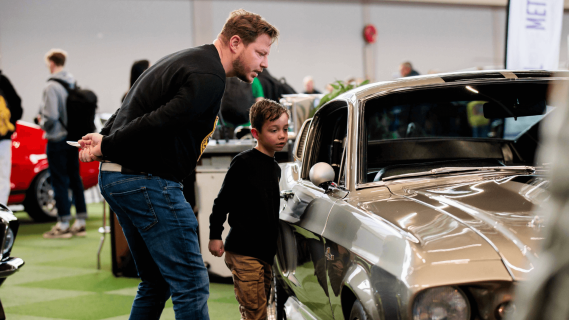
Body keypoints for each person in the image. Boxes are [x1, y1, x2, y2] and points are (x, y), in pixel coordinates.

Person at [78, 9, 279, 320]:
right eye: (261, 53)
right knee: (192, 284)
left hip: (119, 178)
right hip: (148, 182)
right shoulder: (209, 76)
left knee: (156, 281)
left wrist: (105, 138)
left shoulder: (188, 59)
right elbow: (160, 121)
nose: (265, 64)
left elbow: (133, 102)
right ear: (236, 42)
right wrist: (107, 143)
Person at [209, 99, 288, 320]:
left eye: (285, 129)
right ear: (256, 133)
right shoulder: (243, 163)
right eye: (274, 130)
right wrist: (215, 236)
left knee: (259, 309)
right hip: (243, 251)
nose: (282, 135)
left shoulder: (274, 168)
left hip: (264, 253)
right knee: (255, 312)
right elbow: (221, 202)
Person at [39, 49, 88, 239]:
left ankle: (63, 222)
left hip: (57, 139)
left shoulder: (52, 86)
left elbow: (50, 116)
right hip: (72, 138)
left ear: (51, 62)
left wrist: (42, 123)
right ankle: (81, 220)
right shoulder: (71, 82)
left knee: (59, 180)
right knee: (75, 178)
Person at [0, 66, 23, 206]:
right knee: (2, 177)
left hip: (4, 138)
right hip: (3, 139)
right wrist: (10, 126)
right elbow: (17, 106)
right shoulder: (3, 81)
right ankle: (1, 214)